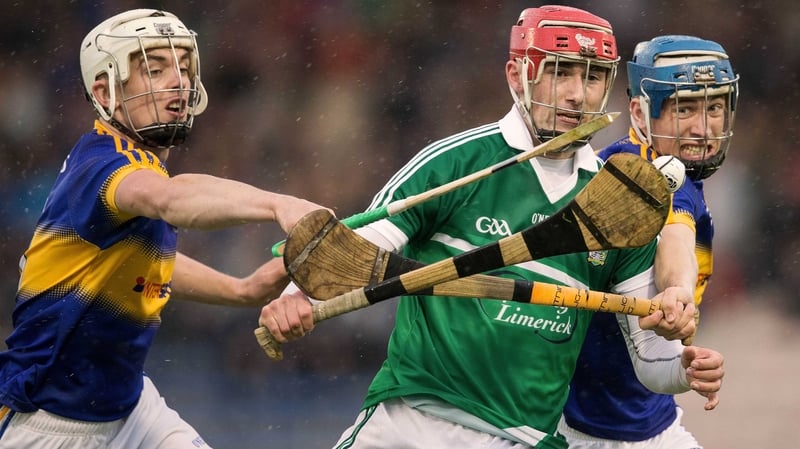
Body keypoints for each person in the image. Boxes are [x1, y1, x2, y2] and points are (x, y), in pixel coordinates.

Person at [260, 7, 723, 449]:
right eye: (560, 72)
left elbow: (650, 361)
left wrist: (683, 367)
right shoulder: (457, 164)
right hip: (413, 422)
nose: (576, 94)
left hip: (526, 437)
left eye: (593, 76)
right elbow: (356, 252)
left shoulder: (615, 200)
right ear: (516, 75)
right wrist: (295, 297)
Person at [0, 9, 326, 449]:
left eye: (185, 69)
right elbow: (173, 200)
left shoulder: (134, 164)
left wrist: (241, 290)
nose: (180, 82)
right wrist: (278, 204)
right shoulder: (104, 166)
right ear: (106, 92)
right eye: (155, 70)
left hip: (131, 408)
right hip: (47, 422)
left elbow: (143, 263)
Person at [560, 35, 738, 449]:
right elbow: (674, 235)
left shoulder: (644, 163)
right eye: (683, 108)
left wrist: (682, 367)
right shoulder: (649, 177)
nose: (702, 127)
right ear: (640, 111)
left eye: (713, 107)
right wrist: (677, 290)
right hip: (579, 431)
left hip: (649, 419)